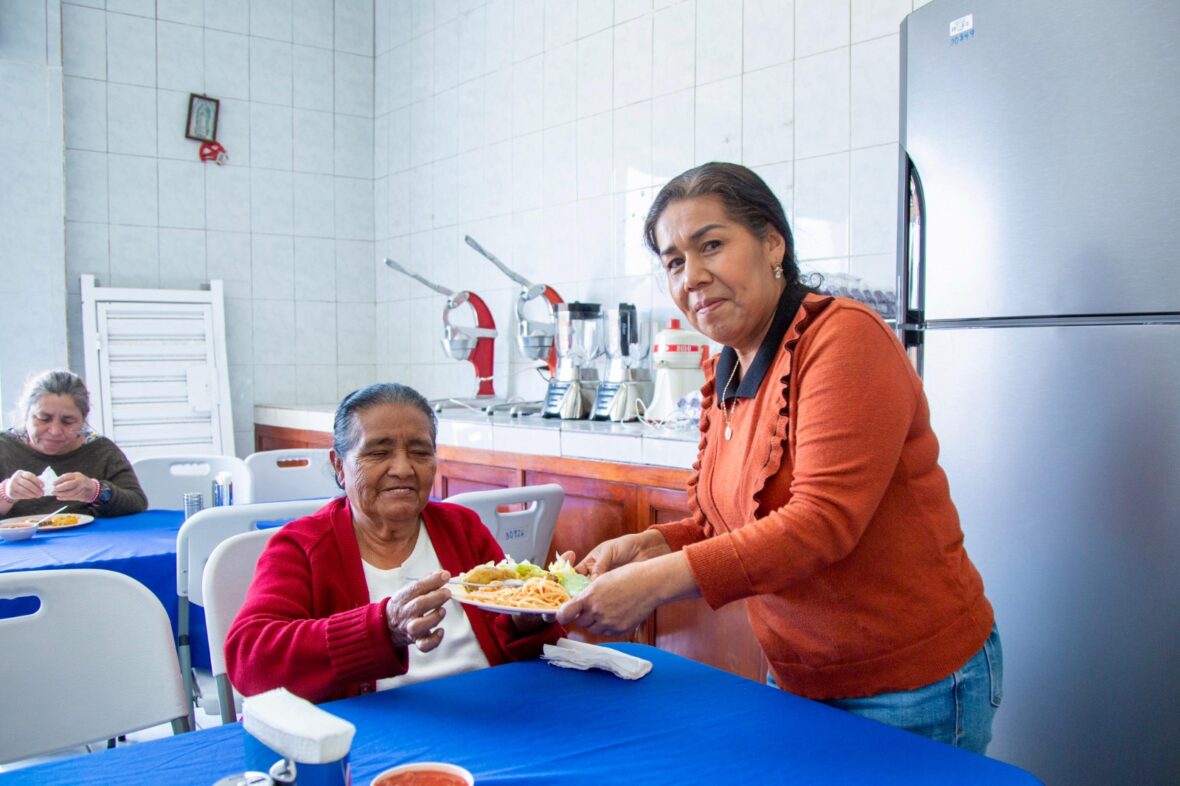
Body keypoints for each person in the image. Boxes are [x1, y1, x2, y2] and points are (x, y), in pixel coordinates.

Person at [556, 163, 1002, 753]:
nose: (693, 276)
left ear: (772, 244)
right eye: (673, 262)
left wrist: (655, 584)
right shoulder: (728, 369)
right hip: (798, 675)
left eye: (711, 245)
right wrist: (657, 546)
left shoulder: (843, 339)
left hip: (910, 683)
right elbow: (734, 522)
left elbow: (821, 523)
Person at [225, 383, 563, 704]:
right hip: (373, 735)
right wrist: (383, 628)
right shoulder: (302, 546)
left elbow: (515, 646)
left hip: (489, 713)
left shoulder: (461, 527)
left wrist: (530, 618)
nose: (403, 469)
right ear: (339, 466)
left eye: (419, 452)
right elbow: (249, 660)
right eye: (378, 452)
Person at [0, 369, 146, 518]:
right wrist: (5, 493)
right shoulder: (4, 447)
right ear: (25, 415)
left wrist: (96, 492)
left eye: (68, 421)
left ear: (83, 421)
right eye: (43, 418)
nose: (55, 431)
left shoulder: (100, 450)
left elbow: (137, 503)